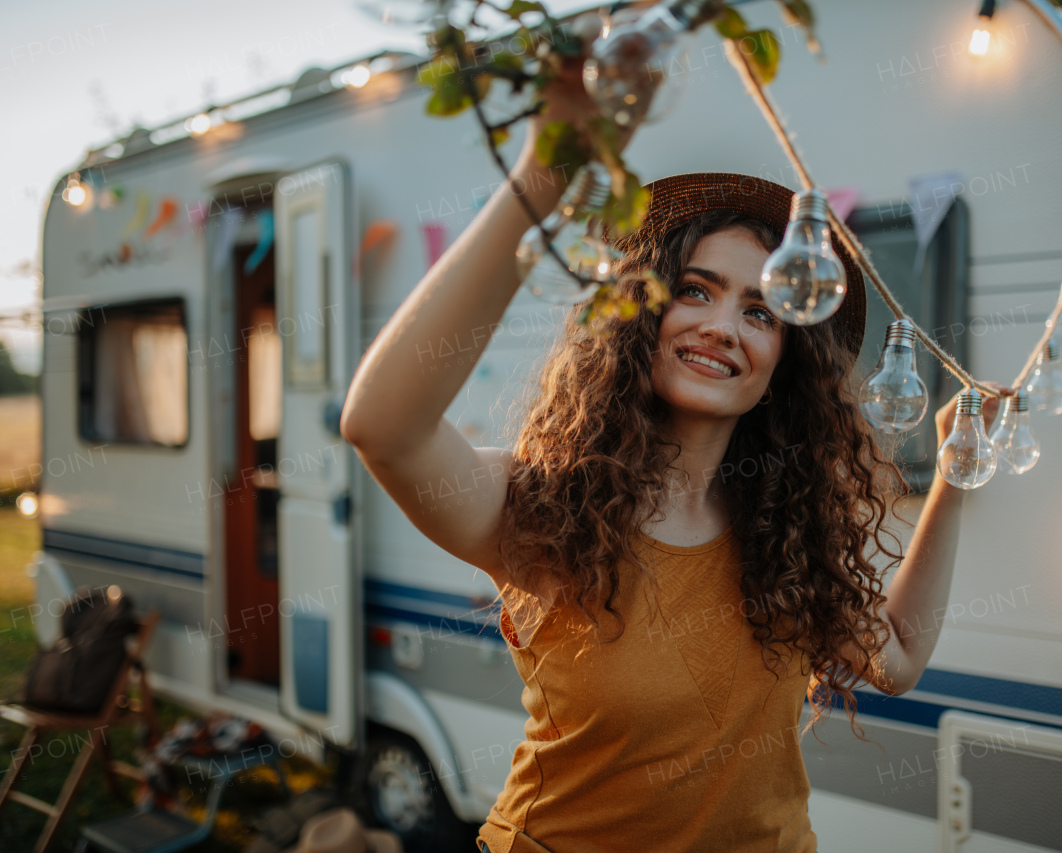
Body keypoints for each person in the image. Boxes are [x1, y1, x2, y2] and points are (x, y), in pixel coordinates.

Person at [340, 54, 1008, 853]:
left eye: (761, 312)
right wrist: (542, 178)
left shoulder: (788, 534)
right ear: (638, 316)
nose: (723, 325)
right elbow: (382, 423)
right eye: (695, 290)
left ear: (785, 362)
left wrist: (955, 479)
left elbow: (896, 661)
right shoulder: (545, 505)